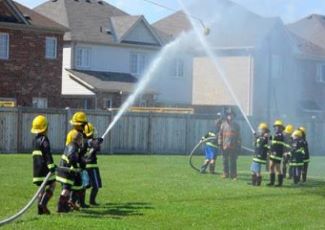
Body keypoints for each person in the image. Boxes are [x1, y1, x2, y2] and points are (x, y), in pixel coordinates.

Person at [31, 115, 56, 215]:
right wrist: (51, 165)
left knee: (41, 188)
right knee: (53, 185)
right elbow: (47, 153)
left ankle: (40, 210)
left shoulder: (35, 140)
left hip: (36, 170)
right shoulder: (44, 139)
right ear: (46, 127)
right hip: (44, 168)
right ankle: (43, 203)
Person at [56, 129, 83, 213]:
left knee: (67, 189)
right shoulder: (73, 146)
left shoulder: (71, 145)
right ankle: (60, 207)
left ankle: (64, 206)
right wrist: (76, 167)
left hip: (64, 170)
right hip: (66, 171)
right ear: (78, 140)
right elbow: (71, 157)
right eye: (81, 140)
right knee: (66, 189)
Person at [69, 111, 89, 209]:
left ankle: (76, 202)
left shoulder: (78, 133)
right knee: (75, 184)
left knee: (79, 184)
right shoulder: (76, 134)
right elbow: (74, 151)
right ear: (82, 124)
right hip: (74, 163)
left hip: (77, 161)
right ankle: (72, 202)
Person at [218, 108, 241, 180]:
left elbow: (239, 136)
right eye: (228, 115)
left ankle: (234, 175)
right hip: (224, 146)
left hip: (233, 146)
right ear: (226, 116)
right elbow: (220, 135)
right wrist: (220, 143)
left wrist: (239, 145)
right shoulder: (223, 124)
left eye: (231, 115)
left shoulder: (236, 125)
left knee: (233, 161)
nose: (230, 116)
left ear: (233, 116)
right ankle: (225, 173)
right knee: (225, 161)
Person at [84, 123, 103, 205]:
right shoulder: (92, 141)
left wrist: (98, 141)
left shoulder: (84, 141)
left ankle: (79, 201)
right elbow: (97, 148)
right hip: (92, 167)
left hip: (84, 166)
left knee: (84, 185)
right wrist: (98, 142)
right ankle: (92, 201)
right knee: (96, 185)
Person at [268, 120, 290, 187]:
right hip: (273, 153)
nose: (276, 128)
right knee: (271, 166)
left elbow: (279, 144)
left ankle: (279, 183)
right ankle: (272, 181)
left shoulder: (281, 135)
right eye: (275, 126)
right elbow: (272, 142)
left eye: (278, 127)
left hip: (277, 153)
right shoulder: (275, 134)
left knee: (277, 167)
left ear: (281, 128)